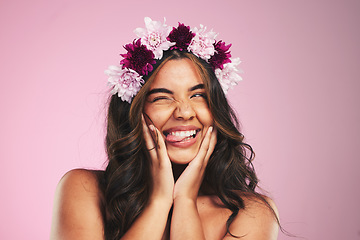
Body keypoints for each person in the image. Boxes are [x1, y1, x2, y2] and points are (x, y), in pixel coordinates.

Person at [50, 17, 280, 240]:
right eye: (162, 97)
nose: (184, 112)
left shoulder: (252, 213)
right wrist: (159, 202)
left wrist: (185, 201)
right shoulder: (85, 190)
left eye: (198, 94)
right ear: (134, 111)